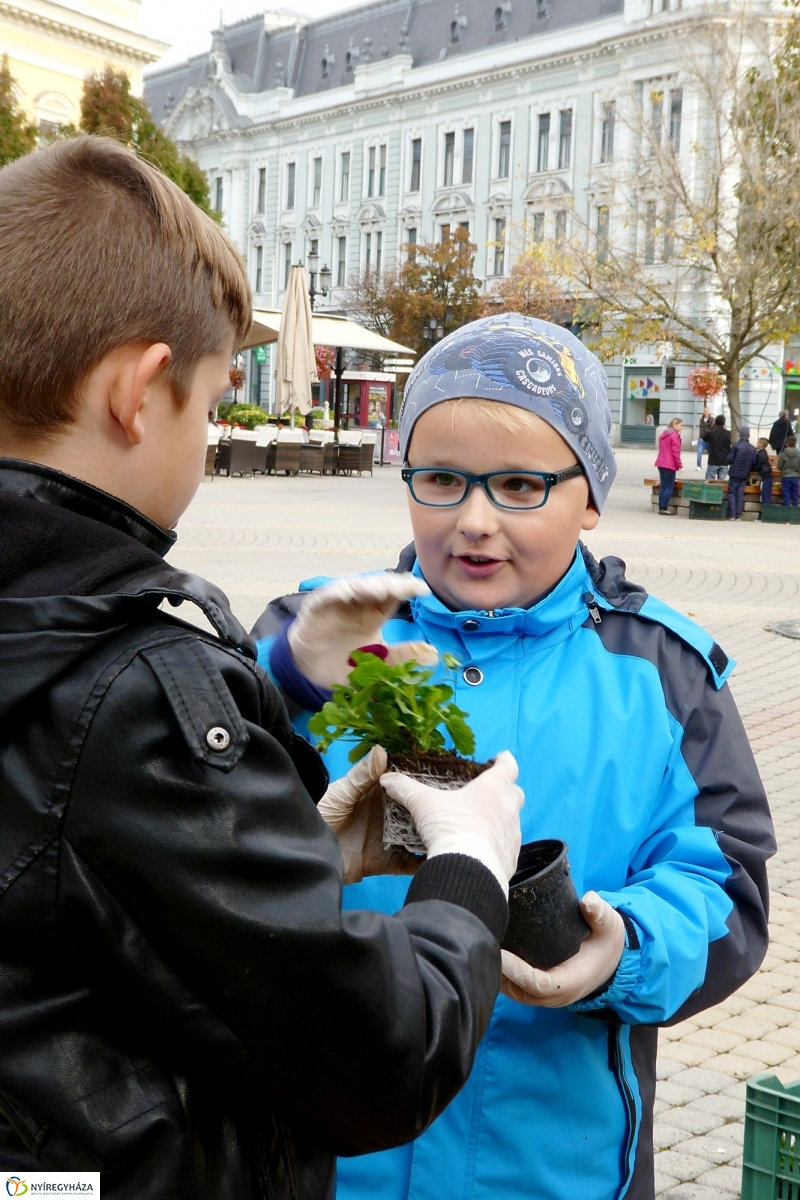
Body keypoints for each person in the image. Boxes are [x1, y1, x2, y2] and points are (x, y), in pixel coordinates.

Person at [0, 138, 528, 1198]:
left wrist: (279, 720)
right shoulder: (141, 691)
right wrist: (470, 868)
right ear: (138, 394)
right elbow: (379, 1056)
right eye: (207, 402)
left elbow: (71, 882)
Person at [253, 314, 774, 1200]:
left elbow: (725, 887)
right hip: (329, 1160)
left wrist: (628, 950)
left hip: (554, 1165)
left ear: (593, 495)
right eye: (442, 481)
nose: (475, 522)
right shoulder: (316, 639)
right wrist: (288, 679)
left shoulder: (664, 674)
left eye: (522, 485)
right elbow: (196, 821)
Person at [726, 425, 757, 521]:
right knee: (740, 493)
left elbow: (729, 459)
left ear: (740, 435)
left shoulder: (736, 446)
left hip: (734, 473)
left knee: (732, 493)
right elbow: (753, 463)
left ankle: (732, 514)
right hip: (744, 474)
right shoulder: (752, 448)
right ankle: (738, 515)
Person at [654, 417, 683, 514]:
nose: (681, 427)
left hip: (660, 462)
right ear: (675, 425)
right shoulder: (674, 435)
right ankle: (664, 508)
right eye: (680, 425)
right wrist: (679, 464)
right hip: (669, 464)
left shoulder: (664, 434)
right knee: (669, 487)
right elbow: (675, 452)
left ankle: (661, 507)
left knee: (663, 486)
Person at [705, 413, 732, 480]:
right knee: (721, 484)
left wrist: (711, 427)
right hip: (724, 461)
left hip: (713, 460)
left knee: (709, 482)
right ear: (724, 423)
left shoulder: (711, 433)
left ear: (715, 422)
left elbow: (705, 438)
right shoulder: (728, 434)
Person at [754, 437, 775, 517]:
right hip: (768, 476)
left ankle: (763, 515)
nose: (756, 444)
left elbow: (759, 463)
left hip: (765, 476)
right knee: (767, 496)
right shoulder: (764, 452)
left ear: (761, 444)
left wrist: (755, 467)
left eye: (758, 442)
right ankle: (767, 514)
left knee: (764, 496)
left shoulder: (760, 453)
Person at [778, 434, 800, 506]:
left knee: (786, 495)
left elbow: (779, 467)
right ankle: (795, 513)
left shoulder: (783, 454)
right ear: (795, 444)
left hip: (786, 477)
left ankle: (787, 513)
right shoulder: (798, 454)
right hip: (795, 477)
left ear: (786, 444)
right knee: (795, 496)